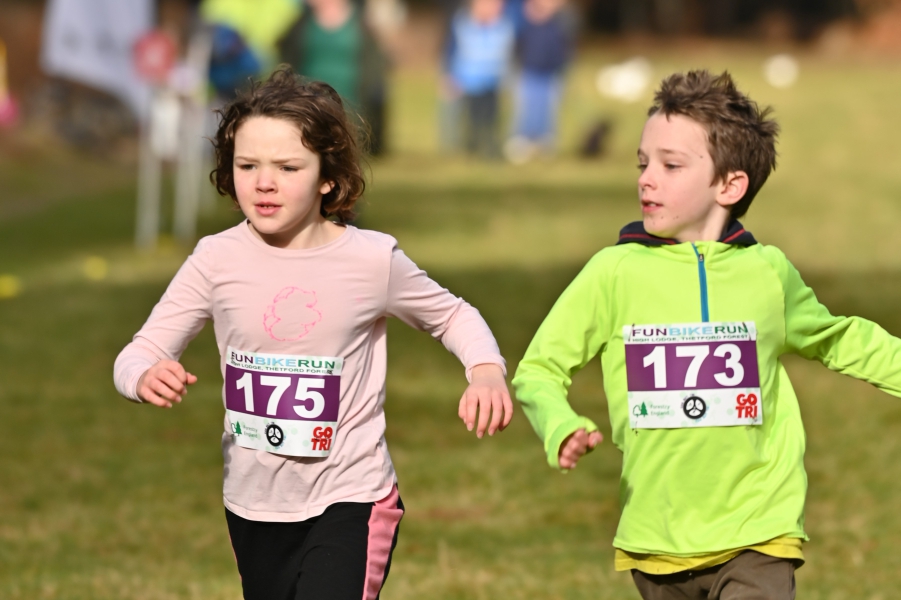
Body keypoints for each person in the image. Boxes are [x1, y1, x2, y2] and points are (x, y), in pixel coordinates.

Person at [113, 67, 512, 600]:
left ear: (328, 176)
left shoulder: (371, 260)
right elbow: (139, 351)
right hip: (252, 504)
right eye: (247, 165)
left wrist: (485, 370)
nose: (264, 182)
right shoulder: (216, 259)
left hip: (351, 495)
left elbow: (454, 315)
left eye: (287, 166)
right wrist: (143, 376)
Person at [512, 69, 901, 599]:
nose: (647, 178)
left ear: (730, 184)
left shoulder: (768, 272)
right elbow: (539, 369)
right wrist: (558, 425)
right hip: (657, 536)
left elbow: (839, 339)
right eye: (643, 163)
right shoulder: (613, 273)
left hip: (759, 529)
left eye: (671, 165)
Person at [278, 0, 390, 155]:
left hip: (350, 96)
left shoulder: (361, 22)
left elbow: (375, 62)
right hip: (309, 98)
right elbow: (286, 55)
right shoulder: (300, 23)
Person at [504, 0, 576, 163]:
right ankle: (521, 141)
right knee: (526, 109)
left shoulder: (561, 23)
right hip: (528, 73)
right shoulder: (522, 22)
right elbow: (514, 47)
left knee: (548, 110)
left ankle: (544, 142)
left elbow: (567, 47)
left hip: (551, 75)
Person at [441, 0, 515, 157]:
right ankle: (471, 145)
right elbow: (451, 52)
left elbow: (509, 55)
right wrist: (451, 77)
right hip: (470, 82)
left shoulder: (503, 26)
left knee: (491, 117)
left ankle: (490, 145)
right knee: (472, 117)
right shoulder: (462, 25)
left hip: (493, 81)